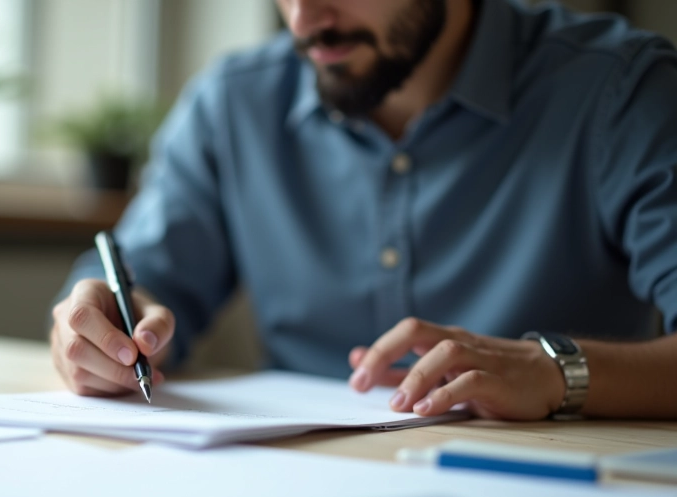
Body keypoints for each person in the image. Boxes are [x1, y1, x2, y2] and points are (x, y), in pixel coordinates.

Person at [49, 0, 677, 421]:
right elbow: (142, 280)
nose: (304, 20)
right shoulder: (234, 105)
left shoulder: (622, 92)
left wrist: (555, 371)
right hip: (295, 490)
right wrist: (99, 327)